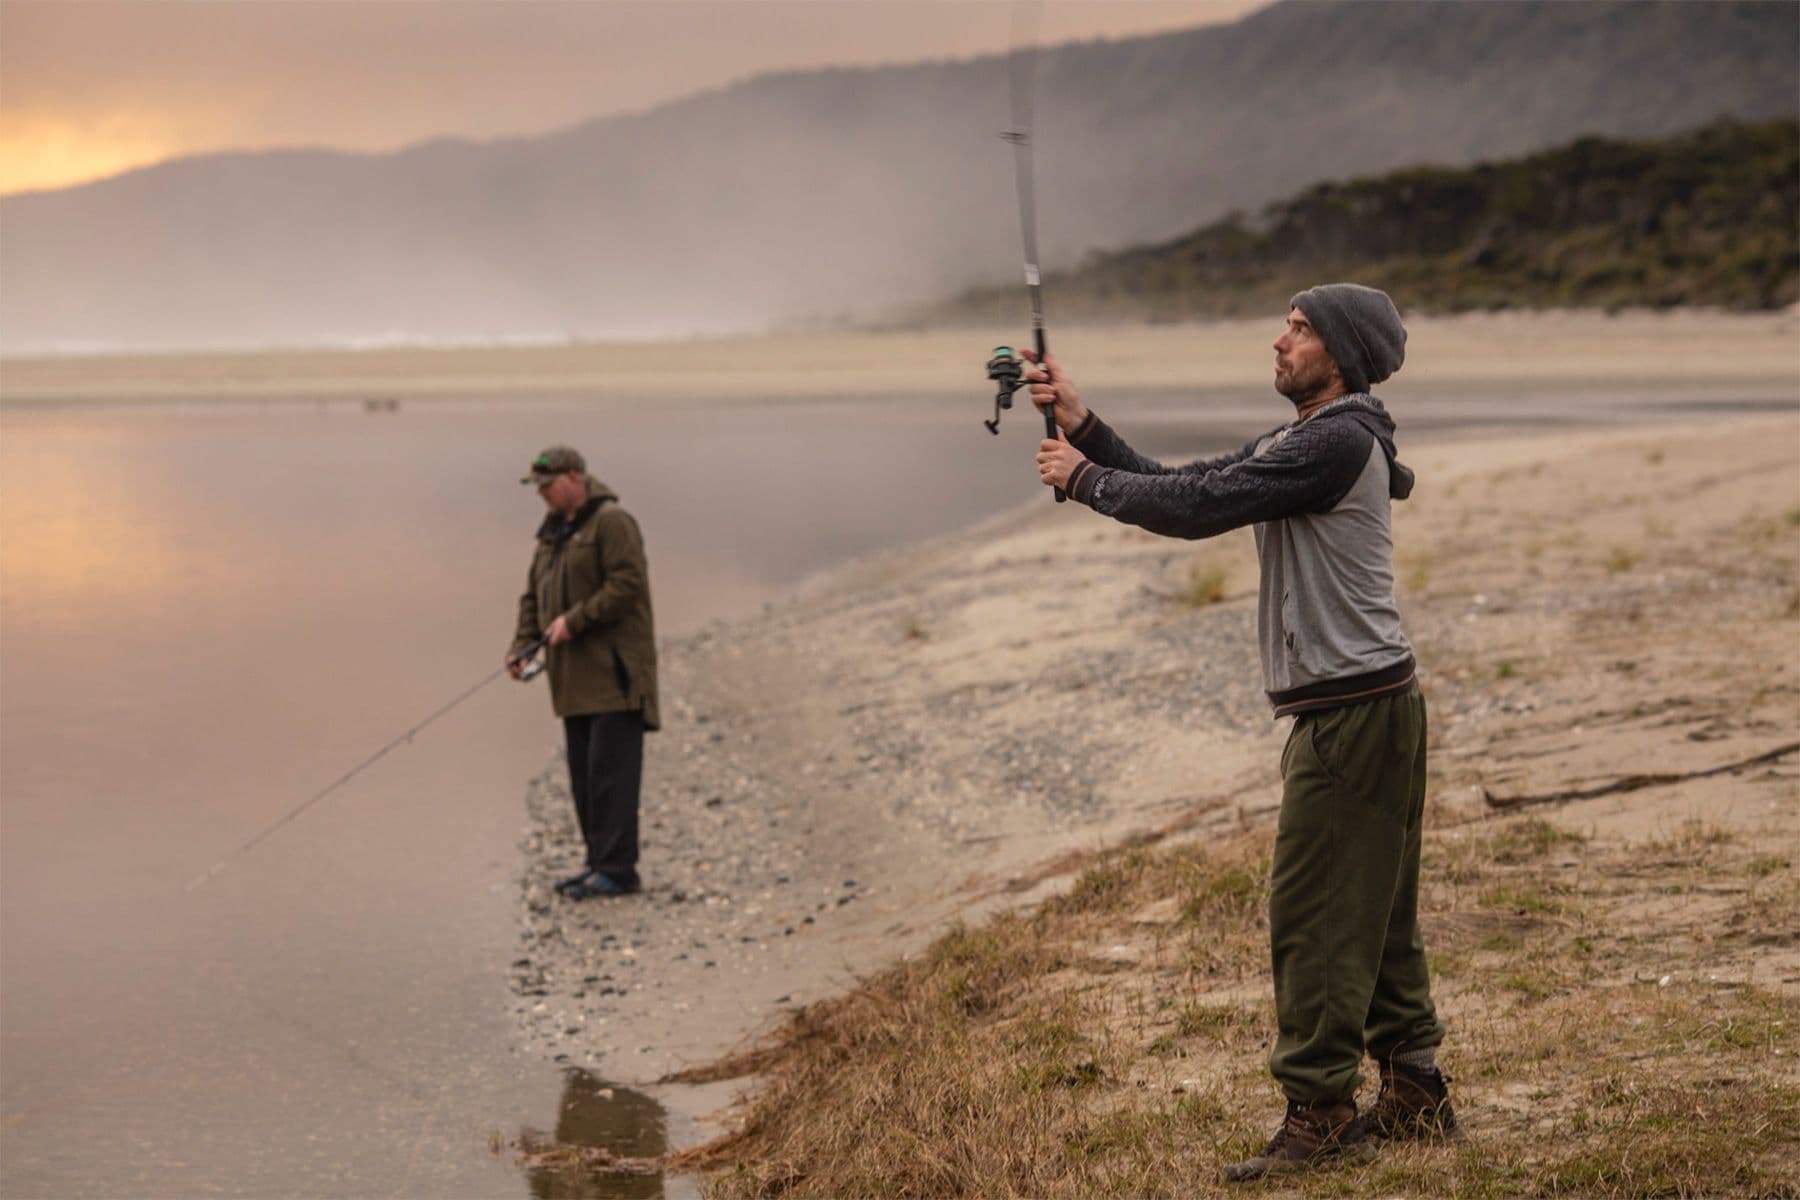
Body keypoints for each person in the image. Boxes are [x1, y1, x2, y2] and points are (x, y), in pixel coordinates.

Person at [1028, 284, 1455, 1181]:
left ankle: (1323, 1113)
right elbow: (1191, 484)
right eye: (1286, 326)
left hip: (1350, 711)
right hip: (1373, 705)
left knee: (1313, 916)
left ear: (1341, 352)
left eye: (1299, 330)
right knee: (1377, 911)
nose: (1280, 340)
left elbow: (1193, 509)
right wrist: (1084, 423)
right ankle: (1415, 1090)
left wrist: (1084, 479)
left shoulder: (1335, 441)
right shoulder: (1317, 440)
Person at [507, 444, 659, 900]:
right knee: (584, 778)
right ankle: (597, 864)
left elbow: (627, 586)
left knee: (612, 777)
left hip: (615, 678)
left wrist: (574, 622)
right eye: (538, 489)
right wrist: (521, 647)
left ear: (575, 478)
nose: (543, 496)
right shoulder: (552, 534)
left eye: (549, 486)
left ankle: (618, 870)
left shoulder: (613, 523)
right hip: (572, 683)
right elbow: (533, 597)